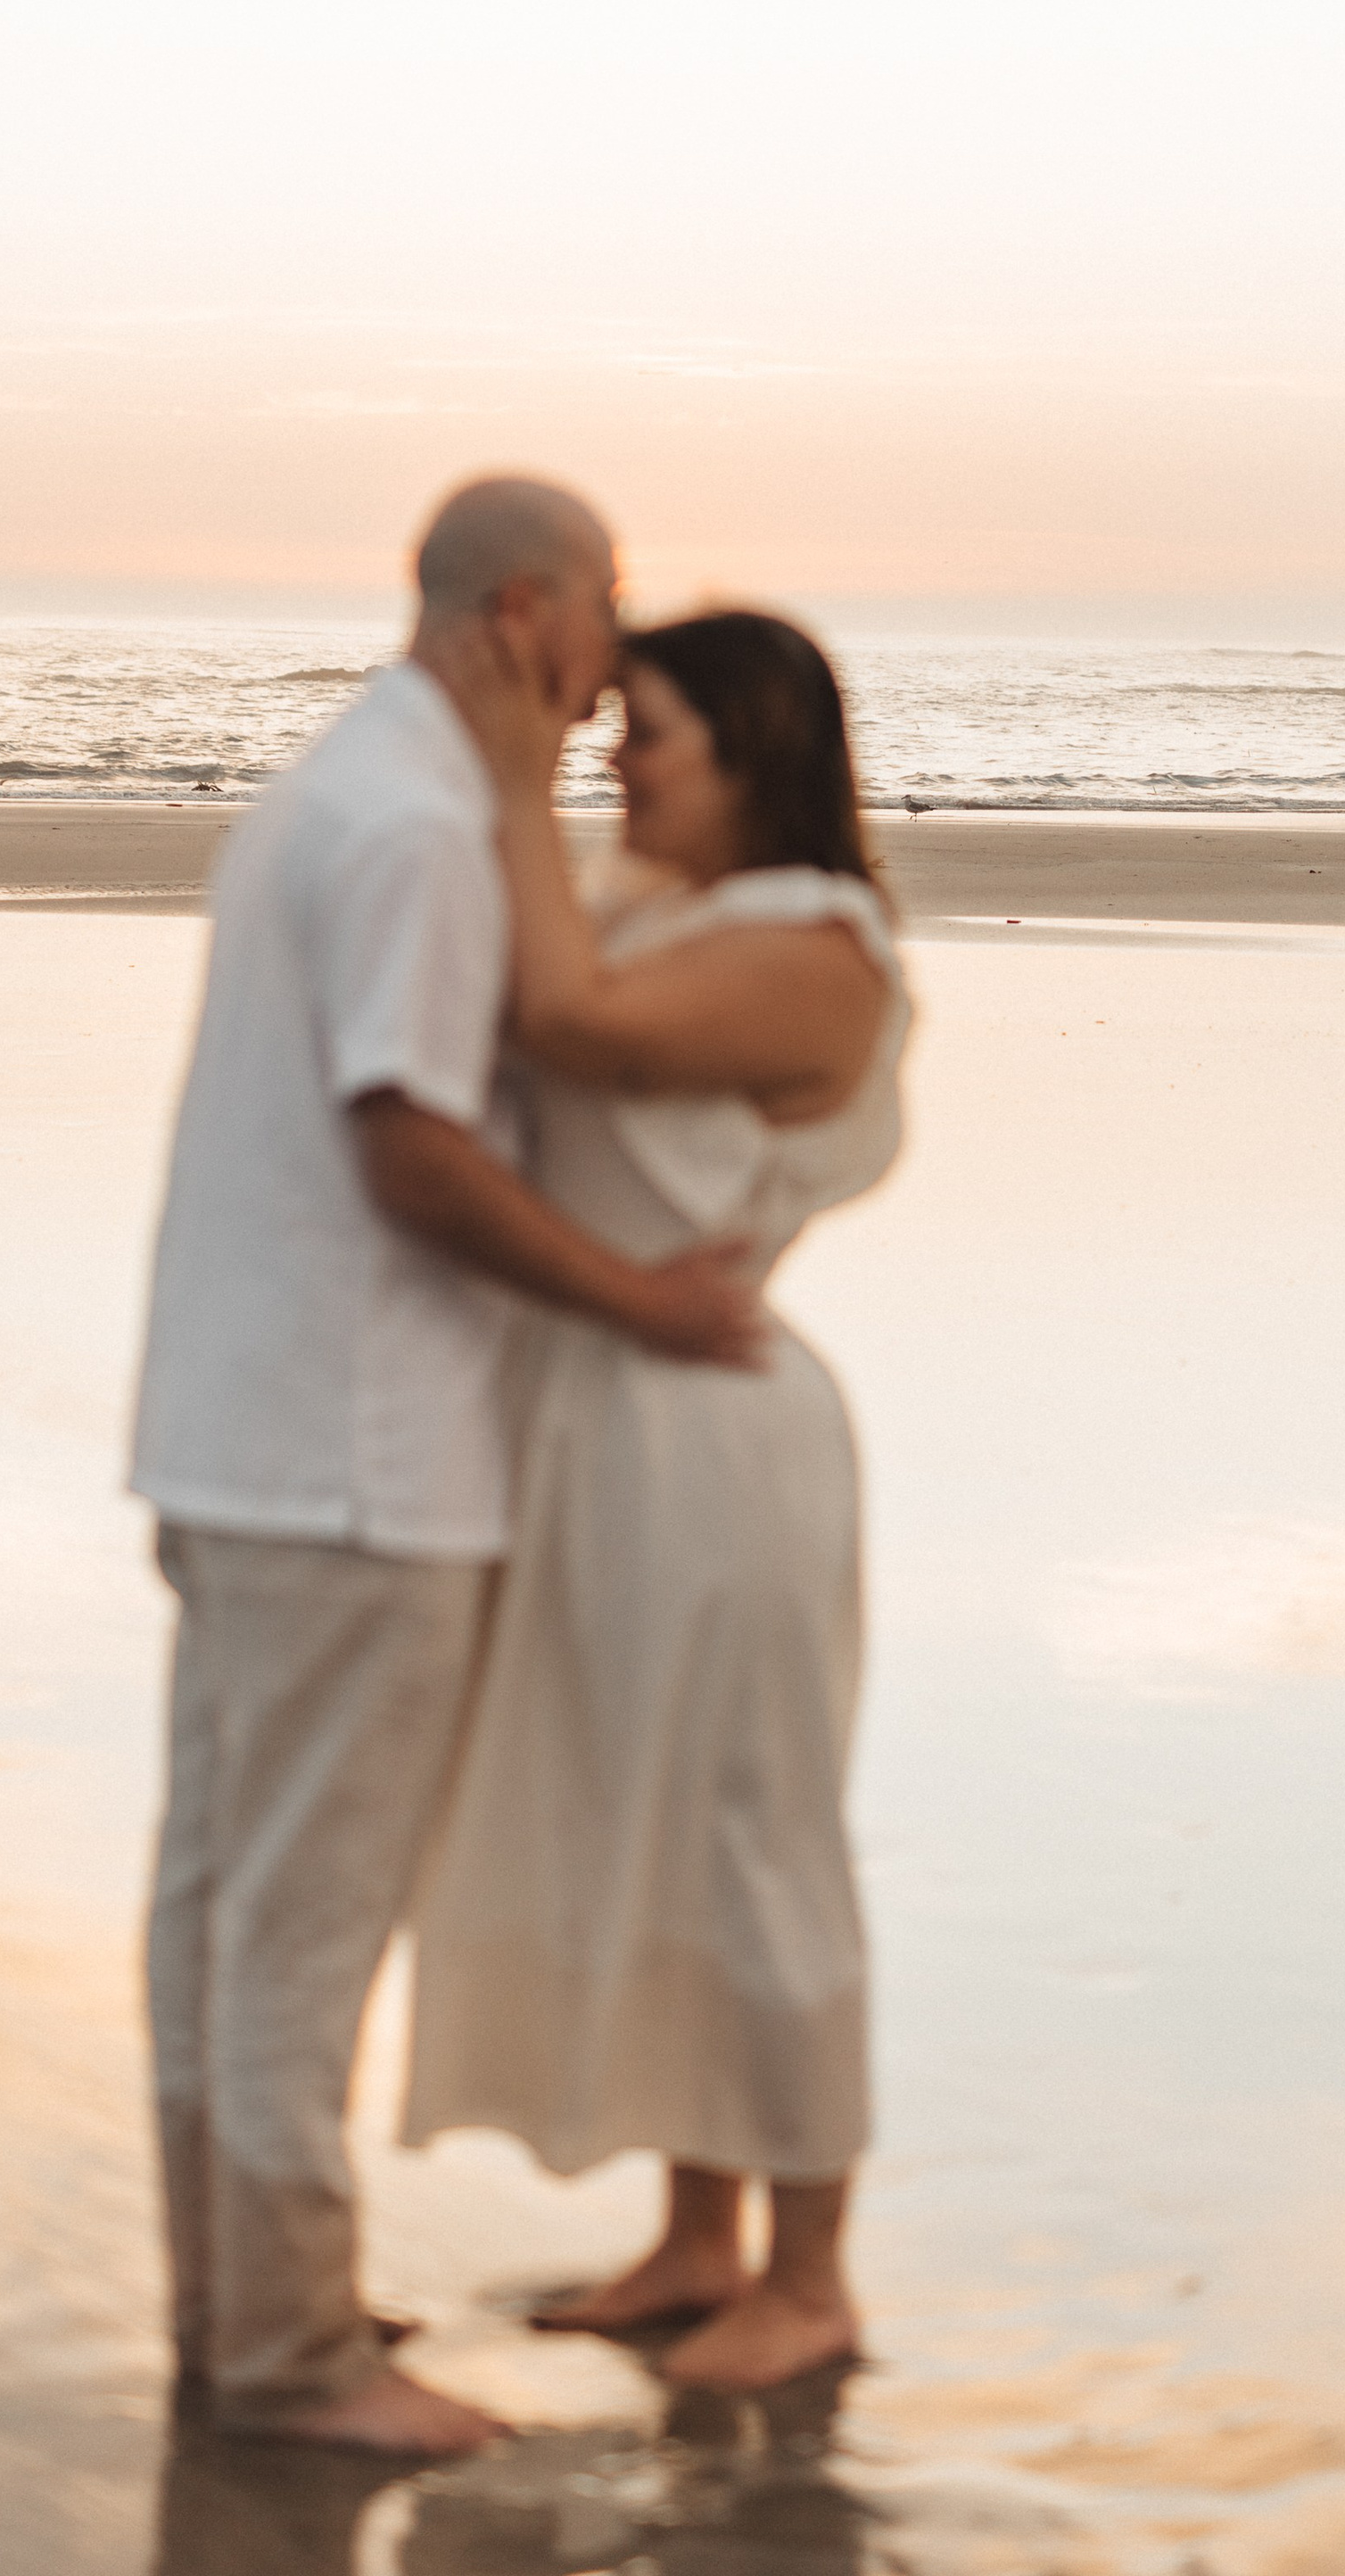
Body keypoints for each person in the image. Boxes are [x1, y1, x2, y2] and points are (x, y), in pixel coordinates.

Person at [129, 478, 764, 2455]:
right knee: (296, 1929)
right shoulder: (411, 827)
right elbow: (412, 1146)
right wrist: (632, 1305)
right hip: (350, 1461)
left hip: (237, 1437)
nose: (606, 673)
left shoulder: (342, 782)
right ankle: (294, 2359)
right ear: (519, 609)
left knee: (221, 1908)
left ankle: (243, 2301)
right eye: (600, 619)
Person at [402, 608, 910, 2391]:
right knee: (648, 1820)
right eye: (610, 732)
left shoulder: (813, 946)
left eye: (652, 733)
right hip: (598, 1418)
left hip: (712, 1430)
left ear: (757, 749)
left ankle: (814, 2271)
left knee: (757, 1840)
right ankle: (698, 2237)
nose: (618, 763)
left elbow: (570, 1022)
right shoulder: (653, 902)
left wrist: (515, 767)